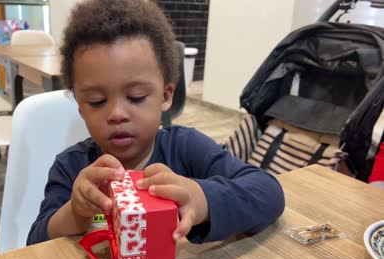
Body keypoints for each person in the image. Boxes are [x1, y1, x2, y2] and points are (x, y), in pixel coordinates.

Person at [27, 0, 285, 245]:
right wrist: (75, 212)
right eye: (96, 101)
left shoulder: (186, 148)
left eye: (136, 97)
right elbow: (34, 243)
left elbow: (268, 193)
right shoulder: (72, 167)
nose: (117, 113)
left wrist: (201, 198)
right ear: (81, 108)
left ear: (165, 96)